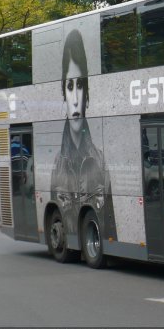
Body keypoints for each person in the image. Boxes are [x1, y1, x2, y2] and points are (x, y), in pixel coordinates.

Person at [50, 29, 117, 241]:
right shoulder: (57, 166)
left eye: (81, 85)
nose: (76, 98)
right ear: (63, 94)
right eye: (70, 86)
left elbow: (111, 230)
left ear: (87, 95)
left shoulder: (100, 161)